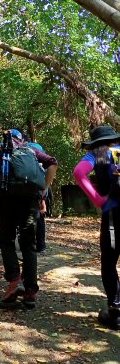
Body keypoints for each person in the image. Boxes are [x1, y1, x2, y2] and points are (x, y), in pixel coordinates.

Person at [0, 129, 57, 308]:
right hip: (30, 200)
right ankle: (30, 291)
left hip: (6, 200)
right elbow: (53, 163)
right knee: (28, 244)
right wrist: (44, 189)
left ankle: (15, 281)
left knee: (6, 240)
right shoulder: (31, 150)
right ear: (21, 140)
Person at [73, 124, 120, 330]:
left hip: (113, 213)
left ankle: (115, 309)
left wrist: (98, 200)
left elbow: (79, 172)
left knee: (109, 261)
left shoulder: (97, 154)